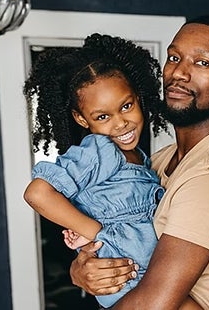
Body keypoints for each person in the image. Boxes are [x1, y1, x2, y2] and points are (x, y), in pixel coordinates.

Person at [68, 15, 209, 310]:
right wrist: (81, 270)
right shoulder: (156, 160)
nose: (179, 72)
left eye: (202, 62)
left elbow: (153, 305)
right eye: (174, 57)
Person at [21, 33, 167, 308]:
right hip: (128, 276)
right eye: (103, 116)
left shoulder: (140, 157)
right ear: (81, 119)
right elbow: (37, 193)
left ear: (138, 98)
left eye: (126, 106)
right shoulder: (100, 150)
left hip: (144, 274)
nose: (121, 123)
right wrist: (95, 230)